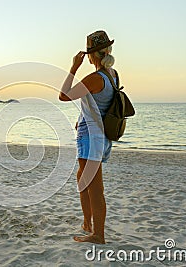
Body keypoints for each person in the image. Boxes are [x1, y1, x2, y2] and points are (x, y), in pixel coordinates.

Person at [59, 30, 117, 244]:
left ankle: (98, 235)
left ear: (92, 56)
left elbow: (63, 95)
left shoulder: (95, 78)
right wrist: (82, 117)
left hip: (91, 137)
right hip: (96, 135)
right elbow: (101, 103)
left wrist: (73, 67)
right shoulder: (112, 74)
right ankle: (87, 222)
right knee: (82, 179)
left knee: (94, 187)